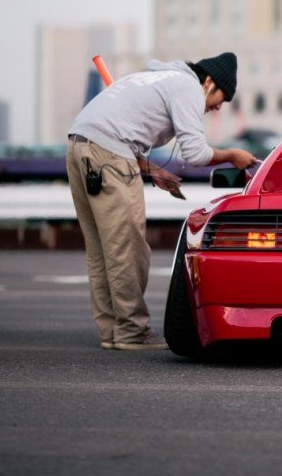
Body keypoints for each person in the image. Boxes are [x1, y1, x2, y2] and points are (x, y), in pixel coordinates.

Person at [66, 52, 257, 351]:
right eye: (221, 98)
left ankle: (112, 330)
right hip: (108, 155)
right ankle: (132, 331)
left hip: (79, 145)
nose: (218, 107)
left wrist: (152, 169)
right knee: (128, 247)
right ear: (209, 81)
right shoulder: (189, 87)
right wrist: (232, 155)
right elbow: (195, 154)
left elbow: (119, 130)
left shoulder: (156, 78)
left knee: (101, 248)